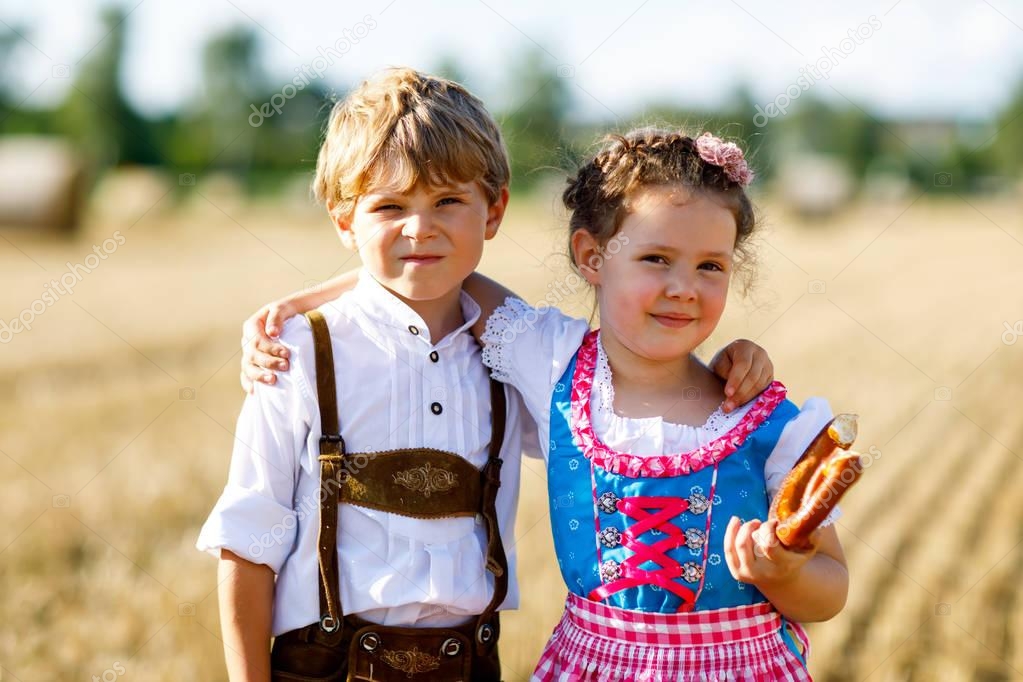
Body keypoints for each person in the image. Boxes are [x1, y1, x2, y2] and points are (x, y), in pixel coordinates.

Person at [201, 67, 776, 682]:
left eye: (448, 201)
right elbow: (248, 541)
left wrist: (737, 361)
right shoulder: (297, 353)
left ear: (494, 209)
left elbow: (640, 377)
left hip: (473, 663)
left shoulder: (521, 360)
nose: (421, 228)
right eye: (389, 207)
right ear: (346, 222)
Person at [467, 128, 850, 680]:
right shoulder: (551, 363)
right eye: (656, 258)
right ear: (591, 256)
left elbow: (831, 589)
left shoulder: (768, 421)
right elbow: (440, 274)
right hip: (591, 663)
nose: (683, 288)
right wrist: (321, 302)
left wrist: (782, 572)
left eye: (710, 266)